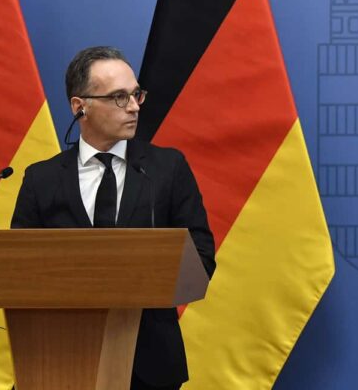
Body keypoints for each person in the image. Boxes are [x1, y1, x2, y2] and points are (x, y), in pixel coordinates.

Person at [11, 46, 216, 390]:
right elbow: (19, 267)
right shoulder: (41, 179)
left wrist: (133, 282)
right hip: (60, 357)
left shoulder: (167, 168)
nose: (134, 106)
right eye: (119, 97)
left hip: (149, 362)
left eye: (136, 94)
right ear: (80, 107)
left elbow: (202, 257)